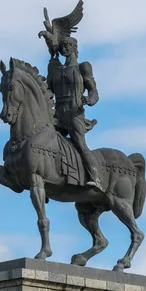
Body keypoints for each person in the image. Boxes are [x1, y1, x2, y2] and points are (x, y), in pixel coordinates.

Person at [44, 36, 104, 192]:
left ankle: (94, 178)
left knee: (81, 145)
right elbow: (47, 91)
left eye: (67, 45)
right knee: (44, 142)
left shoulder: (82, 67)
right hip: (56, 115)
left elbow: (93, 89)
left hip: (74, 113)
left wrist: (91, 99)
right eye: (62, 46)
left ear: (74, 48)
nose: (64, 48)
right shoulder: (55, 69)